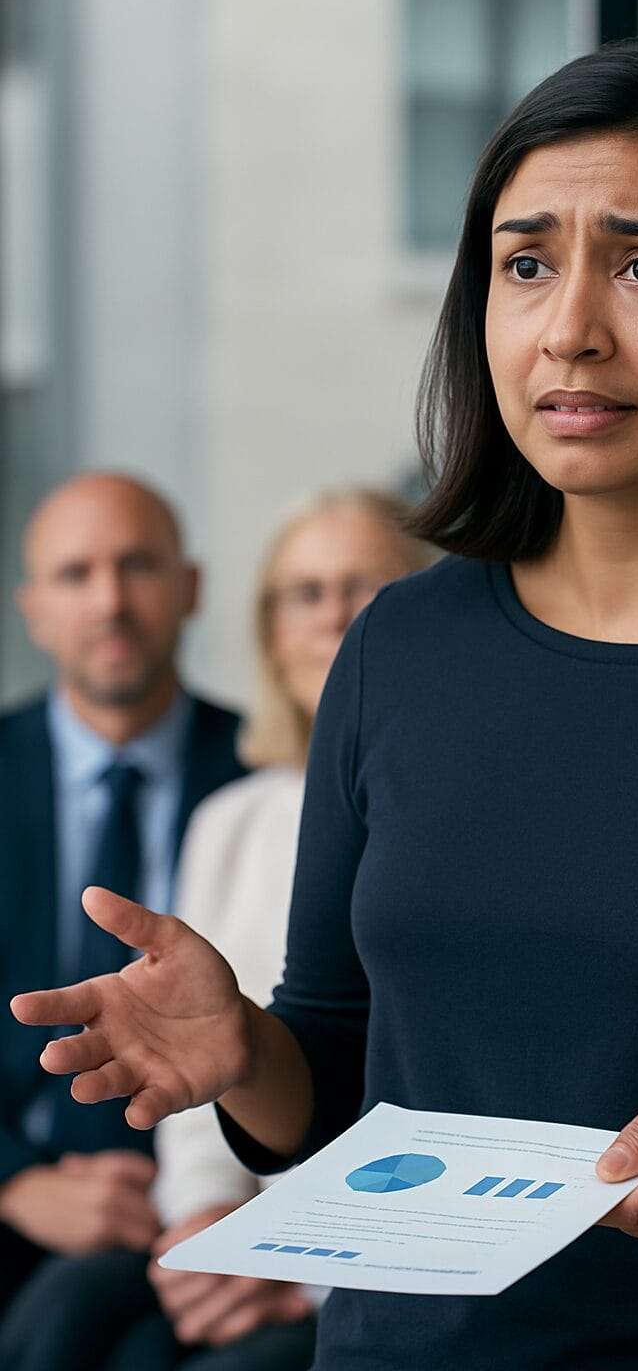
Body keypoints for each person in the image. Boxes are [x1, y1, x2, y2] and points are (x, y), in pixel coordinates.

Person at [11, 43, 638, 1371]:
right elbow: (338, 1078)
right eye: (527, 264)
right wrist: (245, 1049)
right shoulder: (399, 650)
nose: (571, 329)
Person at [103, 490, 431, 1369]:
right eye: (304, 592)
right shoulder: (230, 819)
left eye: (361, 586)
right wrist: (202, 1221)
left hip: (375, 1254)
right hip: (240, 1227)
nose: (332, 615)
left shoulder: (456, 811)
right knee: (68, 1323)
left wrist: (303, 1271)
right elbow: (192, 1053)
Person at [0, 473, 246, 1359]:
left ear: (190, 587)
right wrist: (17, 1188)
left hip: (215, 1205)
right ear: (33, 608)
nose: (109, 601)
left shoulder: (265, 778)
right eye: (75, 574)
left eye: (137, 565)